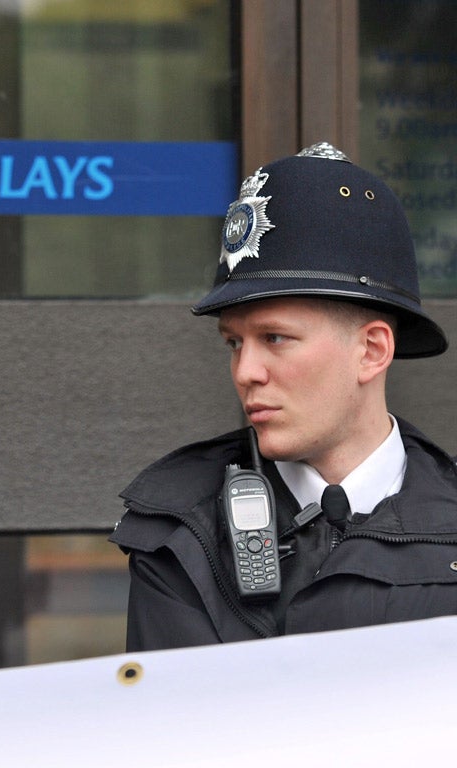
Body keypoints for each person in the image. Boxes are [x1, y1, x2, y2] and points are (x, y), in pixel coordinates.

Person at [109, 142, 457, 651]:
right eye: (233, 343)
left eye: (274, 338)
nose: (245, 372)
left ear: (371, 350)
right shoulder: (180, 530)